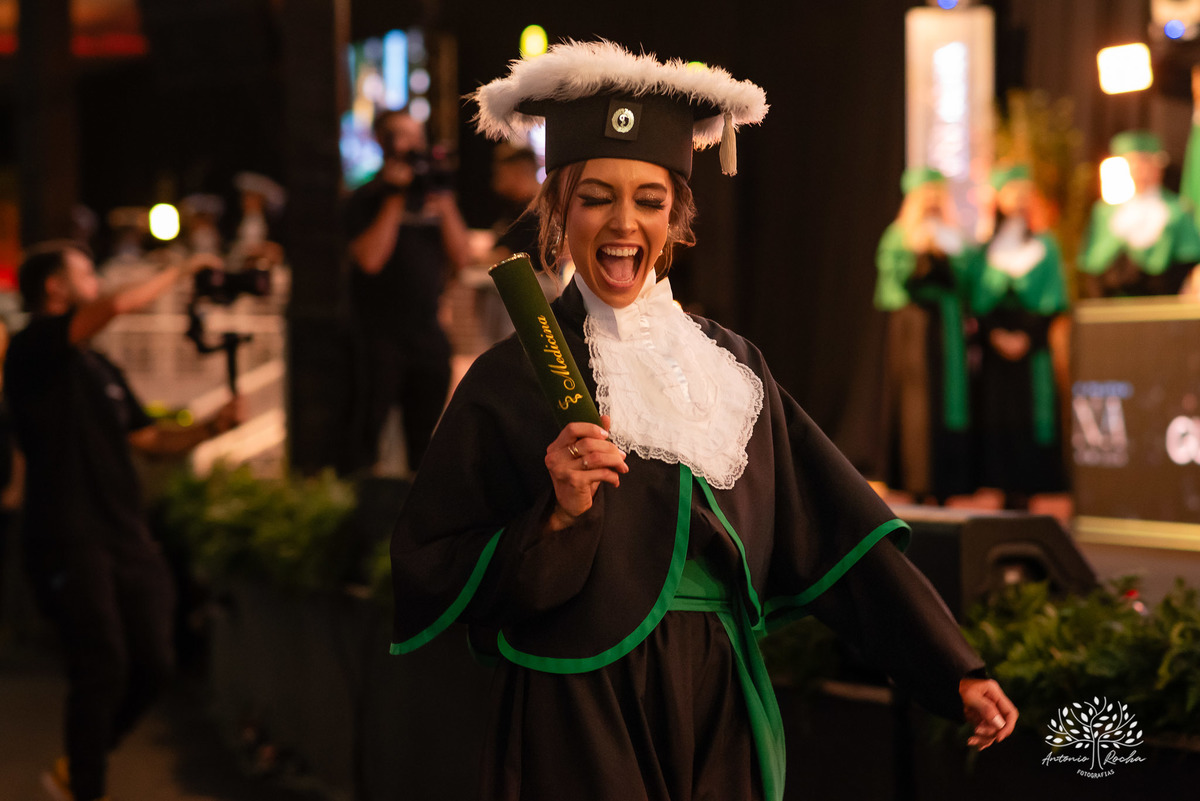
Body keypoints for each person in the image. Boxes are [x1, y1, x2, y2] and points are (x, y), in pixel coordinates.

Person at [389, 41, 1016, 801]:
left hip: (718, 696)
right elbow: (432, 557)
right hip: (581, 704)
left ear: (677, 218)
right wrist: (554, 519)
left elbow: (841, 531)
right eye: (596, 197)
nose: (625, 224)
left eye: (649, 200)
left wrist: (952, 666)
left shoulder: (733, 367)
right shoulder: (513, 377)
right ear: (558, 209)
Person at [5, 241, 243, 801]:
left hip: (126, 536)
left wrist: (211, 427)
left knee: (156, 663)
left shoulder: (101, 367)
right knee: (102, 665)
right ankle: (86, 785)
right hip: (67, 537)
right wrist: (182, 267)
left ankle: (79, 763)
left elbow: (150, 438)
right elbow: (113, 307)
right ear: (54, 287)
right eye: (85, 271)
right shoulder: (33, 347)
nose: (97, 279)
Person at [344, 108, 470, 475]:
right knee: (368, 434)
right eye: (404, 135)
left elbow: (461, 258)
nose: (415, 144)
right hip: (377, 335)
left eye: (418, 136)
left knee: (427, 439)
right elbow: (369, 260)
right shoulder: (366, 197)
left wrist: (443, 198)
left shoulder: (433, 197)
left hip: (427, 333)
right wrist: (395, 197)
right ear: (382, 142)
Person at [970, 165, 1069, 510]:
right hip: (996, 350)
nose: (1019, 200)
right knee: (999, 414)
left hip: (1032, 344)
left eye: (1025, 193)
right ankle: (1001, 486)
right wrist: (996, 335)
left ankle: (1031, 488)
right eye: (1012, 192)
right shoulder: (986, 249)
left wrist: (1025, 337)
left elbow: (1054, 299)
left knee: (1032, 413)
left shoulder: (1047, 245)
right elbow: (978, 302)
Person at [874, 168, 975, 504]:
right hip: (913, 327)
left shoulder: (954, 235)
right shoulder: (899, 235)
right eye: (926, 195)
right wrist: (918, 256)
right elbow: (893, 282)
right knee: (916, 401)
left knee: (947, 398)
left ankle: (947, 483)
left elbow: (967, 282)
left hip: (945, 325)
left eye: (937, 195)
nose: (932, 202)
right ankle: (915, 479)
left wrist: (945, 258)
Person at [1079, 130, 1200, 297]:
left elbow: (1188, 261)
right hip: (1113, 305)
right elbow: (1093, 264)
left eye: (1145, 163)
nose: (1139, 171)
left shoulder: (1177, 211)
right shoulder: (1104, 212)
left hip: (1162, 302)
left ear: (1159, 167)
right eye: (1132, 164)